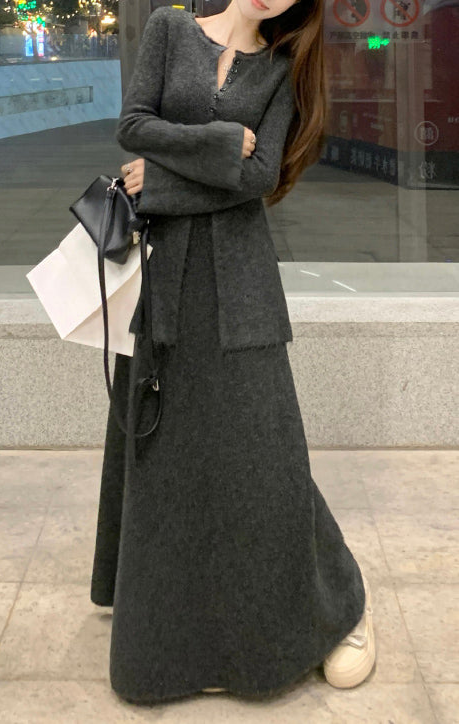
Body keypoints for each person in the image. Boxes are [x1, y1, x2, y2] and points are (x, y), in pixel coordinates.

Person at [91, 0, 376, 705]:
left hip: (242, 281)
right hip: (165, 279)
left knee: (265, 456)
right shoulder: (168, 29)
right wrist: (224, 143)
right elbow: (133, 125)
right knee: (169, 457)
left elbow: (260, 177)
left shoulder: (283, 67)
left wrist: (162, 181)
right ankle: (177, 635)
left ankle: (336, 603)